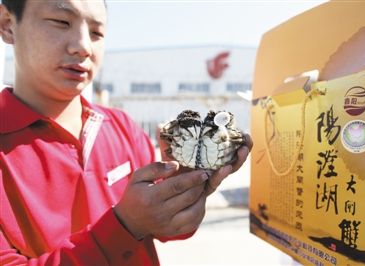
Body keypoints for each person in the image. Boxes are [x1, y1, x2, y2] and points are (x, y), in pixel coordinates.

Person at [0, 0, 252, 265]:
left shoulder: (122, 127)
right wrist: (125, 226)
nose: (84, 46)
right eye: (62, 22)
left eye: (97, 33)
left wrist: (185, 191)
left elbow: (166, 230)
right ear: (7, 25)